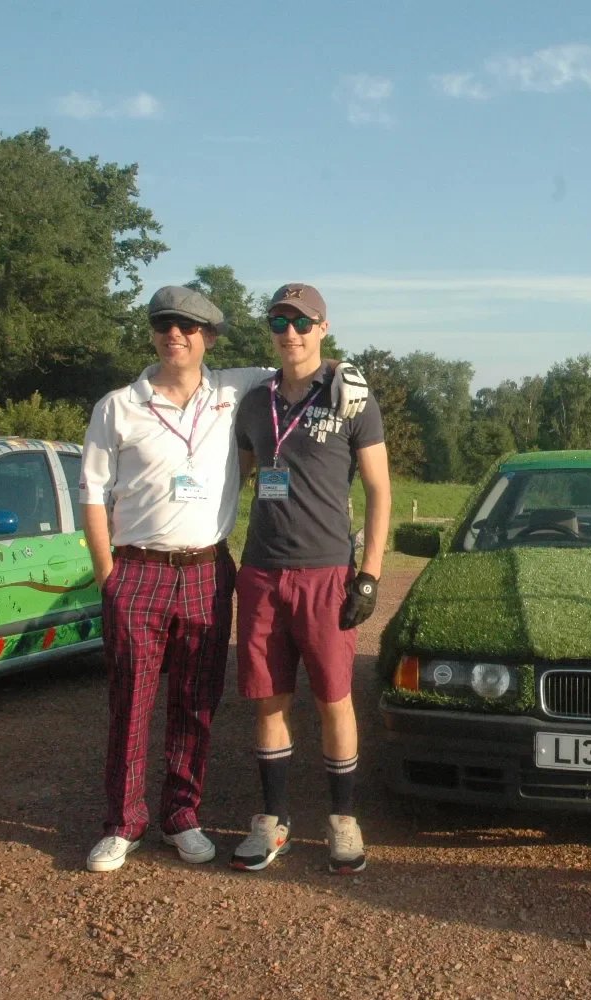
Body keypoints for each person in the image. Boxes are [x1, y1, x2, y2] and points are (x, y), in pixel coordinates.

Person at [79, 286, 274, 873]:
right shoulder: (118, 405)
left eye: (189, 327)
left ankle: (181, 816)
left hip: (208, 571)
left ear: (208, 337)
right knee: (130, 702)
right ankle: (123, 822)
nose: (176, 335)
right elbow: (91, 495)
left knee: (196, 703)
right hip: (136, 568)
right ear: (153, 332)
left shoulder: (233, 390)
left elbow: (302, 366)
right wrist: (107, 576)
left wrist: (348, 376)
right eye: (165, 324)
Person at [230, 282, 390, 874]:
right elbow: (236, 477)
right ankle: (273, 821)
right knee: (268, 701)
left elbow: (379, 490)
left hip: (326, 573)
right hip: (263, 572)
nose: (290, 333)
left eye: (302, 322)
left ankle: (343, 820)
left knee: (334, 699)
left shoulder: (351, 397)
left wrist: (368, 575)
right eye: (279, 322)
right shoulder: (253, 401)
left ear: (323, 328)